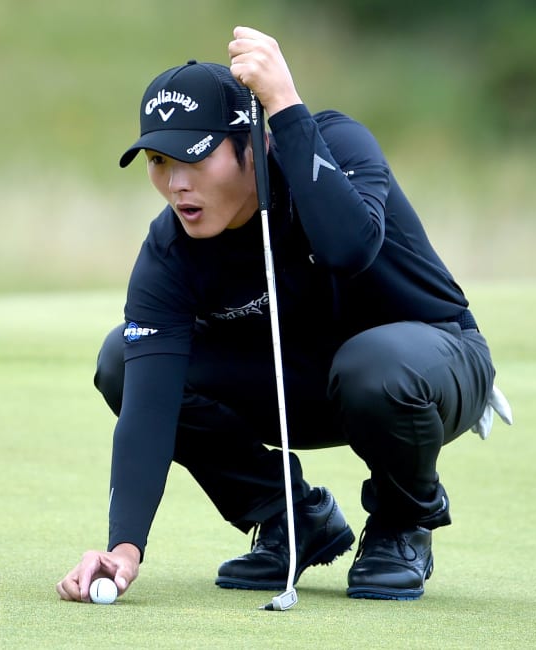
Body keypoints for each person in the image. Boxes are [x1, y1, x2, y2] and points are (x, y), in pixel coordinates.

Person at [56, 26, 511, 604]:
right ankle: (291, 518)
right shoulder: (171, 252)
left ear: (251, 142)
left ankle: (403, 521)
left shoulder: (338, 145)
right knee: (123, 357)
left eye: (194, 158)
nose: (174, 183)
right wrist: (124, 548)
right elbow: (147, 403)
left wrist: (287, 109)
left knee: (375, 364)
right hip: (302, 382)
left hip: (429, 362)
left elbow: (349, 248)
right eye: (157, 160)